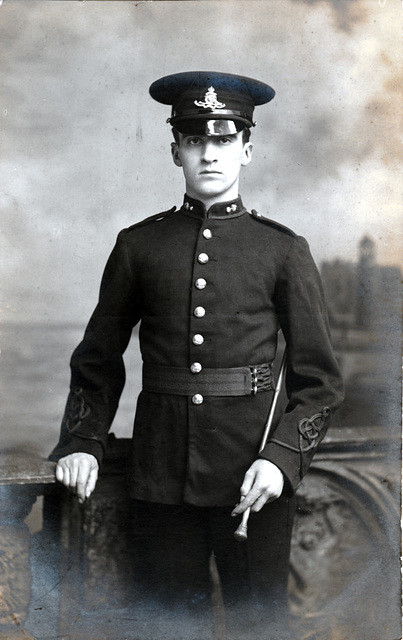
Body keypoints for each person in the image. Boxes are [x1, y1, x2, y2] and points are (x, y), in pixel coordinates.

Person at [50, 71, 344, 639]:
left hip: (254, 476)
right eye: (195, 141)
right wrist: (82, 442)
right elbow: (98, 358)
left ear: (247, 149)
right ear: (175, 151)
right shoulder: (139, 245)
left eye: (225, 141)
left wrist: (281, 461)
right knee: (166, 627)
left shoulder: (283, 250)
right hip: (160, 479)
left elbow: (321, 383)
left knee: (260, 628)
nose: (210, 154)